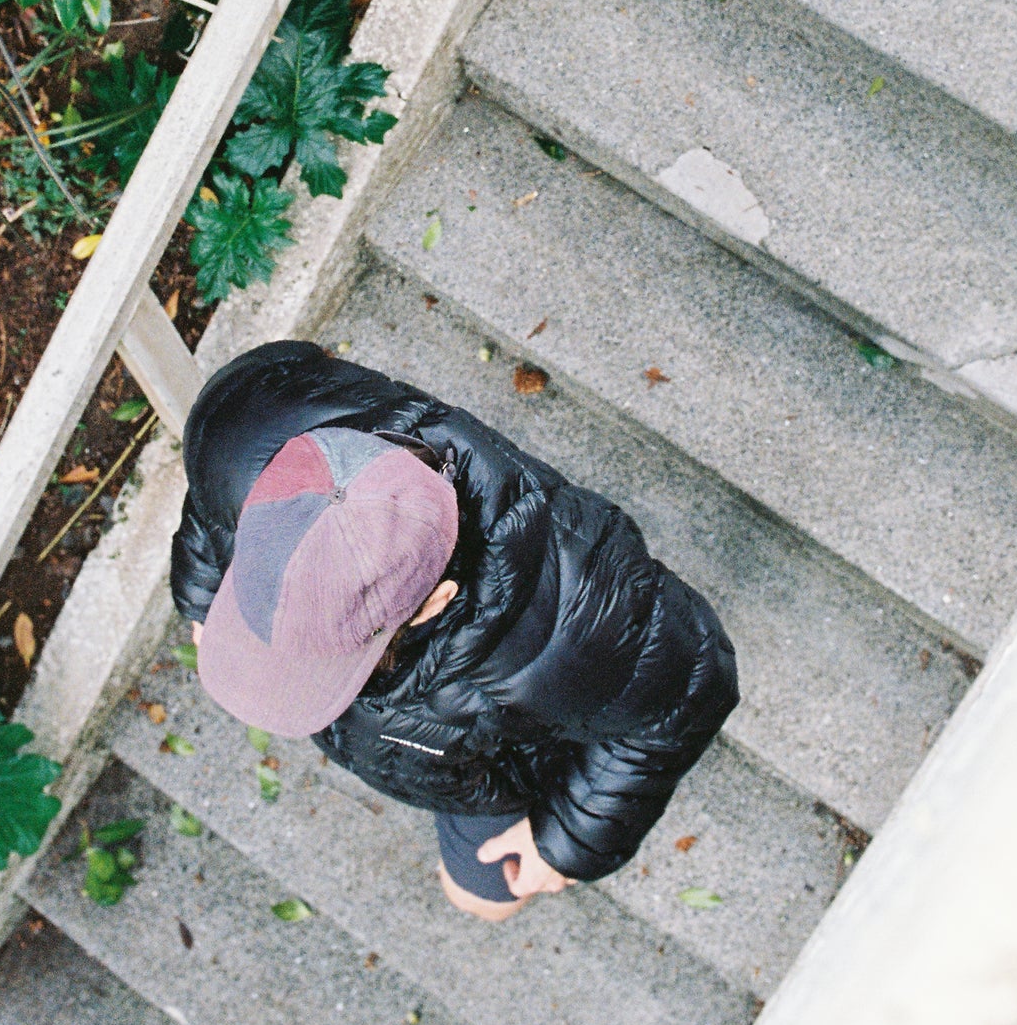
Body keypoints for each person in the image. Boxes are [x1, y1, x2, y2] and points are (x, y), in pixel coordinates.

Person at [171, 340, 739, 919]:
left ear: (435, 602)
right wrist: (205, 598)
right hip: (414, 744)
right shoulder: (244, 432)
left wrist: (568, 839)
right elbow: (209, 505)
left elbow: (695, 685)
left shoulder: (570, 624)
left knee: (485, 901)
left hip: (480, 760)